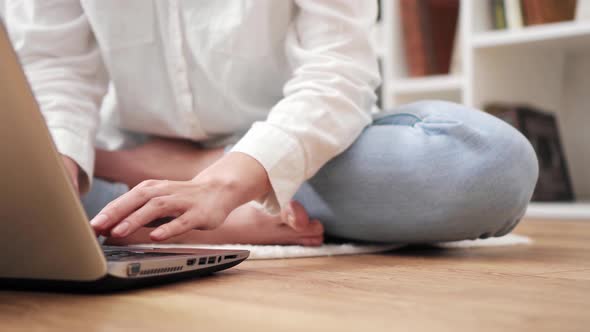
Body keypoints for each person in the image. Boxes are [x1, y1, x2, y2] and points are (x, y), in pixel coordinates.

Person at [6, 1, 538, 246]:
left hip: (295, 146)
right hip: (122, 156)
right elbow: (56, 74)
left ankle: (181, 194)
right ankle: (157, 207)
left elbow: (337, 71)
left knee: (489, 164)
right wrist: (59, 179)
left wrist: (231, 179)